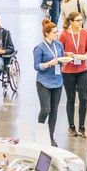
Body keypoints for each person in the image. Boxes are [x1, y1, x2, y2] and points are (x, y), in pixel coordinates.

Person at [33, 19, 72, 147]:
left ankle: (50, 136)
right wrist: (49, 63)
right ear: (47, 34)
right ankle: (39, 133)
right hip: (44, 82)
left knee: (54, 110)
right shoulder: (39, 48)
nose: (57, 34)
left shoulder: (58, 45)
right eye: (54, 32)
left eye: (57, 31)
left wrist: (66, 57)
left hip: (57, 81)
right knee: (46, 109)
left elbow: (60, 59)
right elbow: (37, 66)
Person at [59, 12, 87, 138]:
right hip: (68, 71)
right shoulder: (64, 35)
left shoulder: (86, 33)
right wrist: (66, 54)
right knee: (71, 98)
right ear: (71, 22)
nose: (80, 22)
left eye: (81, 20)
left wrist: (85, 55)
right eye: (78, 20)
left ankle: (82, 126)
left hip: (83, 69)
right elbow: (59, 50)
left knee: (83, 98)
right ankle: (71, 126)